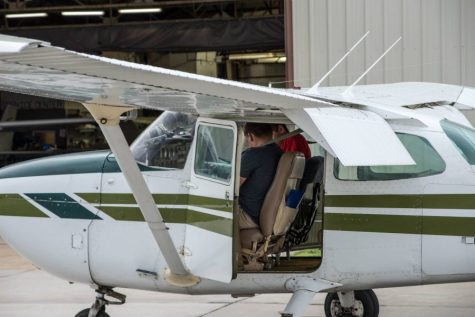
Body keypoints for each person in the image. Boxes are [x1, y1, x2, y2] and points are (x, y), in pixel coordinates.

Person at [239, 123, 283, 229]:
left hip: (249, 215)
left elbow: (232, 186)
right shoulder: (278, 152)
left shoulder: (252, 155)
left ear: (251, 136)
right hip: (265, 213)